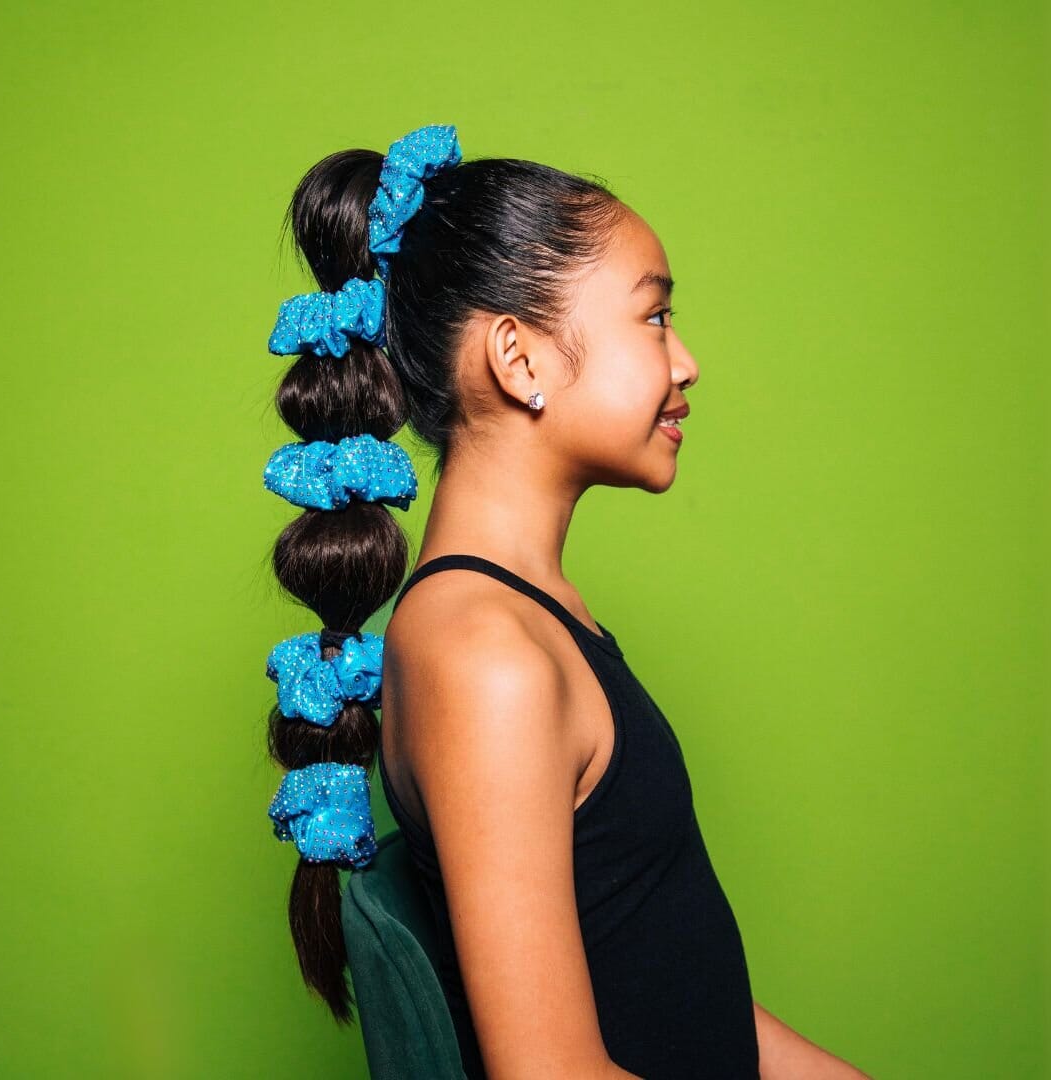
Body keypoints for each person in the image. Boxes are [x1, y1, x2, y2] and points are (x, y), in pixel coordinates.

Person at [261, 125, 871, 1079]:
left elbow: (667, 975)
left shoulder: (536, 621)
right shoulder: (484, 656)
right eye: (655, 317)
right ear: (520, 358)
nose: (686, 363)